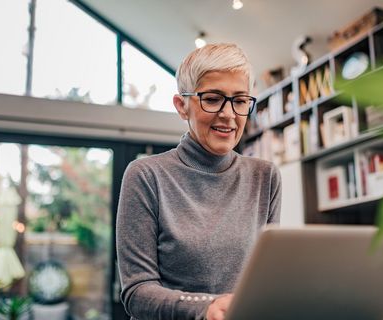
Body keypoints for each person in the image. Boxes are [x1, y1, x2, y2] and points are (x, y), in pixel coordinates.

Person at [116, 43, 282, 320]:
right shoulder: (146, 175)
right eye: (213, 99)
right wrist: (206, 308)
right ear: (182, 106)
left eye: (240, 101)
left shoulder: (265, 177)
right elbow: (136, 292)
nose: (228, 114)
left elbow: (267, 278)